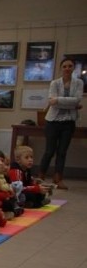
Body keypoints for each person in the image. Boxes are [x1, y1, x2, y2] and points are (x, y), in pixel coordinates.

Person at [39, 57, 84, 190]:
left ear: (73, 68)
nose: (67, 69)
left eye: (70, 66)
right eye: (64, 66)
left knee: (62, 151)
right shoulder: (55, 83)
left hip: (68, 122)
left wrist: (58, 100)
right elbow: (52, 101)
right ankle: (40, 177)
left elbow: (77, 100)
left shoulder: (79, 83)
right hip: (52, 121)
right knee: (49, 151)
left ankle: (58, 178)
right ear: (61, 68)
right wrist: (71, 103)